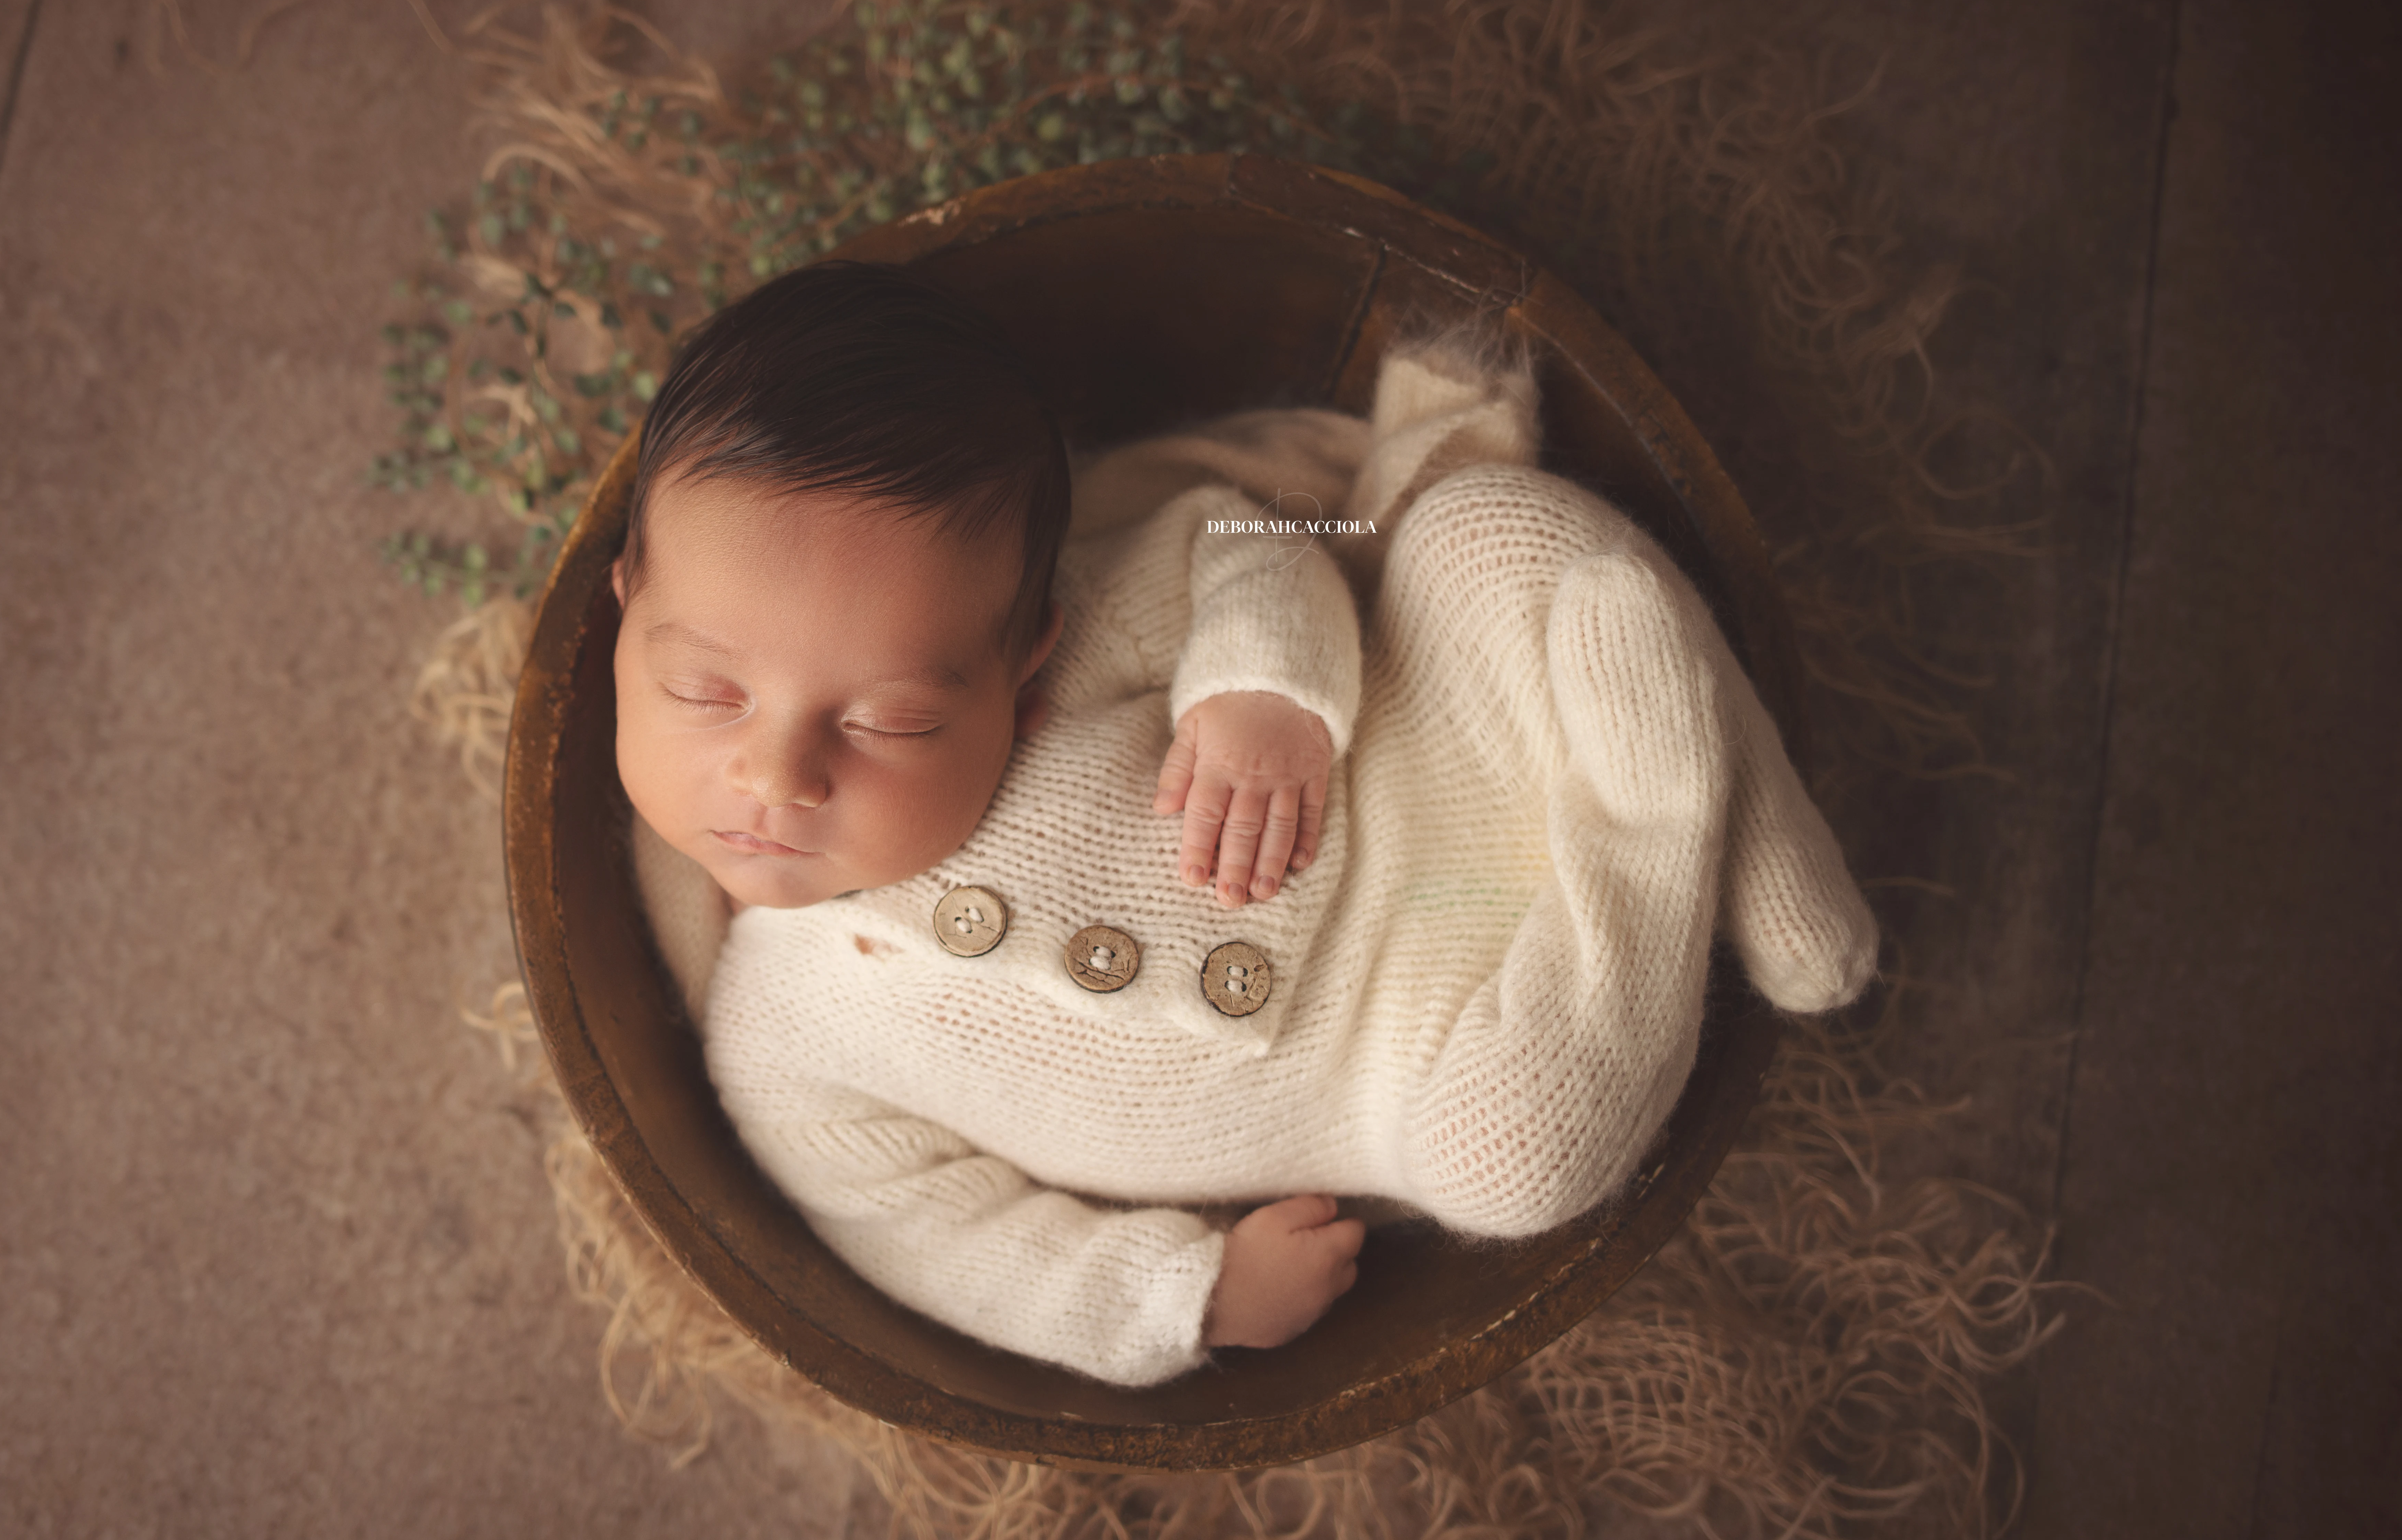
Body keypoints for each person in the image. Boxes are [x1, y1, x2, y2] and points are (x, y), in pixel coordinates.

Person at [608, 262, 1877, 1388]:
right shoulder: (780, 1046)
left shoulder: (1076, 646)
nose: (777, 774)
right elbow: (935, 1238)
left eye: (889, 721)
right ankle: (1667, 819)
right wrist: (1182, 1294)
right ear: (627, 610)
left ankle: (1728, 830)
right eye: (702, 692)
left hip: (1430, 759)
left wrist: (1264, 686)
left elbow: (1235, 534)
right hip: (1414, 1052)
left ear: (1019, 657)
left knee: (1490, 532)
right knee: (1520, 1161)